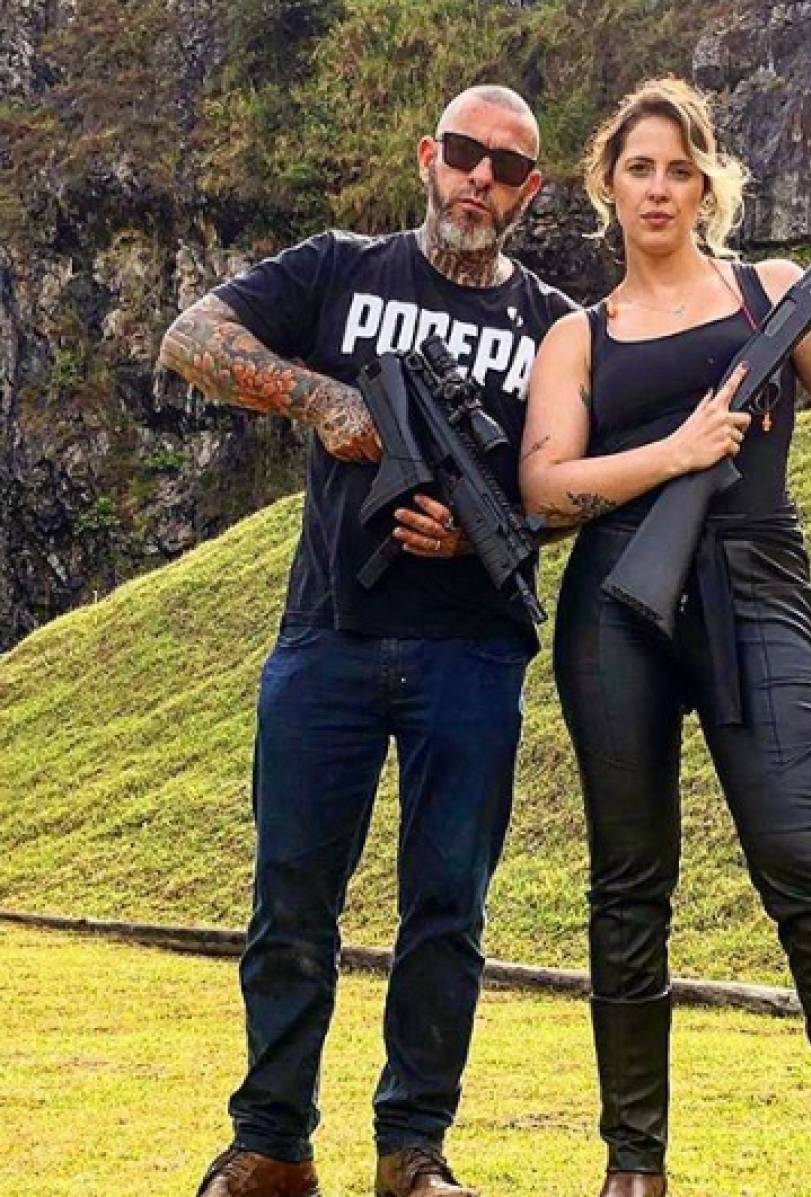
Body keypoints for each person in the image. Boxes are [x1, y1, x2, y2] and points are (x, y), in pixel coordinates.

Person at [520, 77, 811, 1197]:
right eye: (639, 168)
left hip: (756, 587)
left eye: (681, 168)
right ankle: (634, 1168)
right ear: (608, 187)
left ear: (709, 185)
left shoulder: (775, 291)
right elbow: (545, 487)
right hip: (618, 605)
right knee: (628, 885)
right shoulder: (579, 336)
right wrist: (678, 451)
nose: (660, 188)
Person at [158, 85, 575, 1197]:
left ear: (530, 191)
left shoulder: (555, 326)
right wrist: (324, 400)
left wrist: (497, 526)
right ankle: (271, 1144)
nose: (480, 179)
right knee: (292, 892)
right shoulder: (343, 268)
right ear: (427, 156)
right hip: (329, 634)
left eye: (507, 167)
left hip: (474, 647)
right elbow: (192, 337)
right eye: (466, 154)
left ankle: (412, 1151)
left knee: (449, 907)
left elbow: (583, 479)